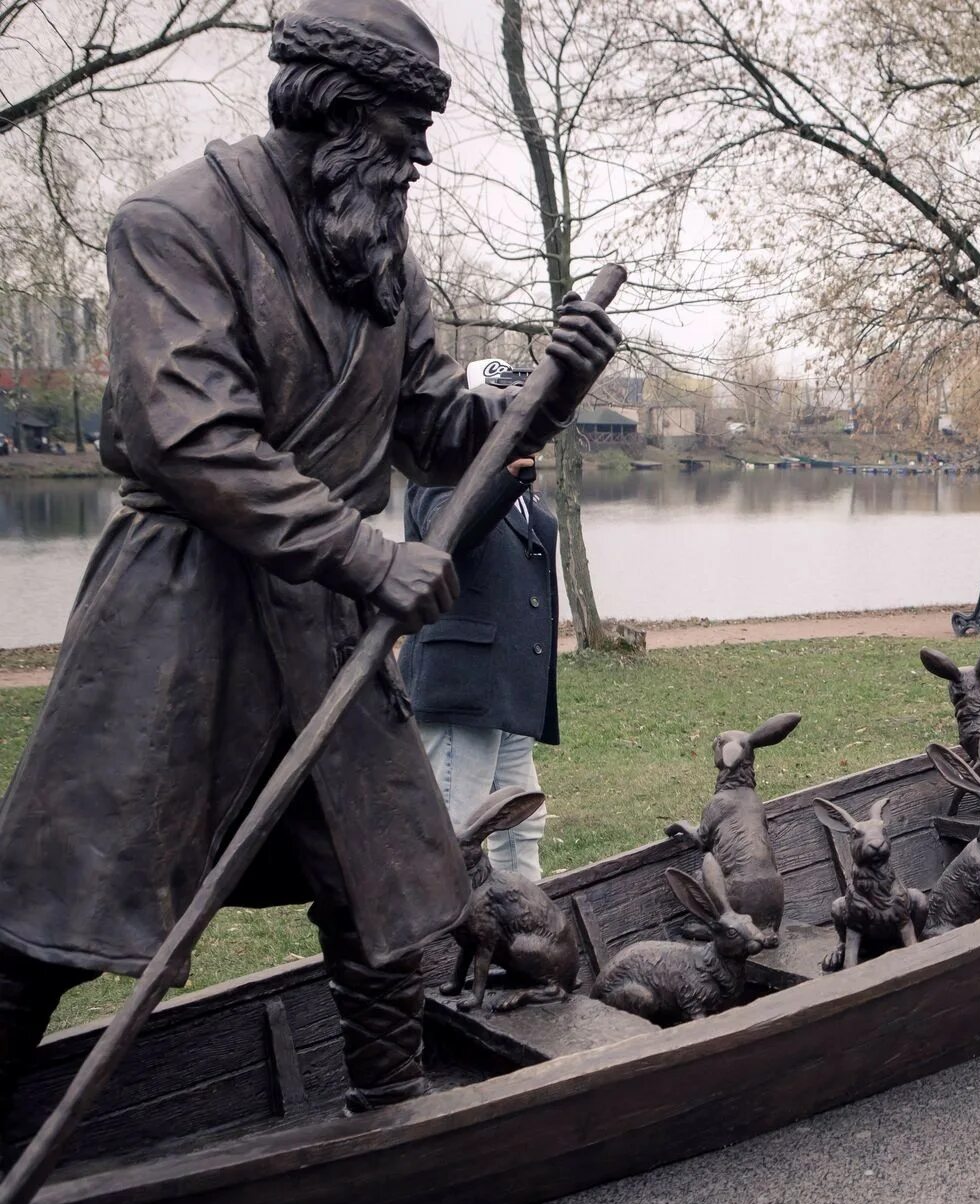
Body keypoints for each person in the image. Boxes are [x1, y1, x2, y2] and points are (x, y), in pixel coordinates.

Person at [0, 0, 621, 1124]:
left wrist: (555, 386)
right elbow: (192, 437)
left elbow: (437, 433)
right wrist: (360, 553)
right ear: (333, 110)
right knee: (66, 899)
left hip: (328, 623)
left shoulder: (376, 251)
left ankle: (388, 1117)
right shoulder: (174, 224)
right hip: (181, 614)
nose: (420, 156)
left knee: (386, 886)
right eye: (403, 127)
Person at [401, 452, 560, 880]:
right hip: (462, 687)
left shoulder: (525, 484)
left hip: (511, 688)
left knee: (522, 825)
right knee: (457, 829)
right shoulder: (440, 471)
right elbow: (449, 535)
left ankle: (527, 929)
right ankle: (438, 944)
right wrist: (502, 477)